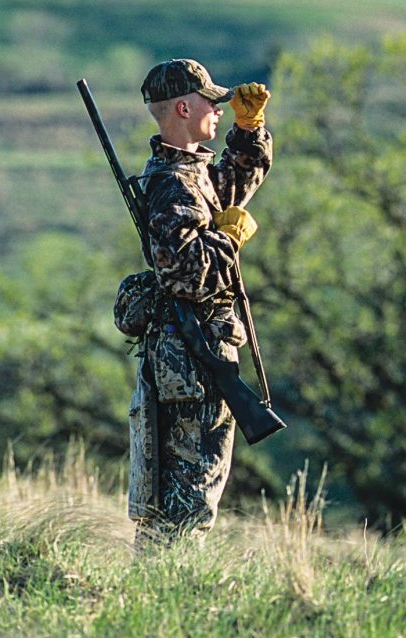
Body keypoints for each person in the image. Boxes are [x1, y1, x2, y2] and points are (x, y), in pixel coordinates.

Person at [125, 58, 272, 546]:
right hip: (191, 356)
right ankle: (168, 588)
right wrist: (228, 240)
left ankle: (163, 584)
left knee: (190, 494)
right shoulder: (171, 183)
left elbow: (232, 187)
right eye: (212, 102)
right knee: (187, 501)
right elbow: (185, 275)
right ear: (184, 107)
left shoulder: (191, 172)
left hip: (198, 350)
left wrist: (251, 132)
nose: (220, 110)